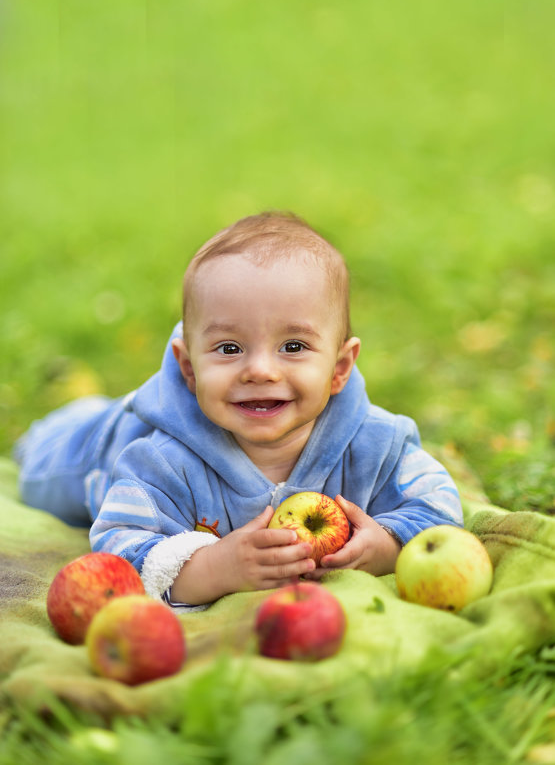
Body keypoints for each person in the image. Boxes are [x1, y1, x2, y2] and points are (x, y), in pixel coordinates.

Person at [15, 211, 463, 611]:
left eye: (293, 346)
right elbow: (120, 545)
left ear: (339, 368)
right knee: (41, 473)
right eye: (229, 348)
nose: (261, 371)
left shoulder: (373, 444)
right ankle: (52, 430)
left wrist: (389, 544)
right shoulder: (160, 460)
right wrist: (214, 568)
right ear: (189, 368)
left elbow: (438, 503)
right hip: (95, 446)